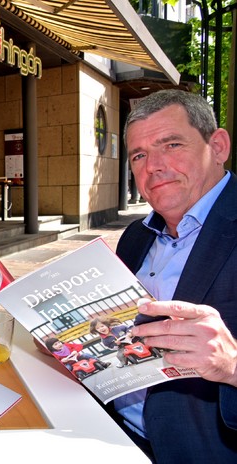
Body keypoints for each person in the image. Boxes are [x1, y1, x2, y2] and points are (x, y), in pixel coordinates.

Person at [113, 89, 237, 462]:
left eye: (171, 144)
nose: (153, 166)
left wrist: (231, 366)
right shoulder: (135, 237)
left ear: (217, 146)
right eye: (140, 155)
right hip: (110, 433)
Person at [44, 336, 110, 371]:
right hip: (69, 363)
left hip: (78, 358)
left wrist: (75, 351)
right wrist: (62, 361)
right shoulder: (54, 354)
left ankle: (101, 363)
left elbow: (79, 346)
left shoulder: (67, 345)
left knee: (86, 354)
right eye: (55, 344)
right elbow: (56, 363)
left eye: (59, 342)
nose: (59, 344)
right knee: (67, 369)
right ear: (51, 347)